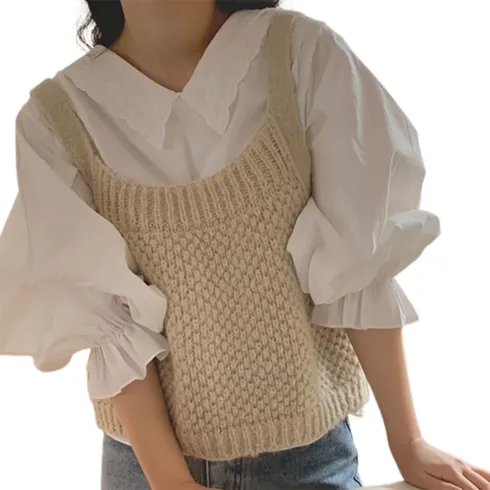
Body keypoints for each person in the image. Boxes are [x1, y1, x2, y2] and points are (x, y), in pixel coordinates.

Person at [0, 1, 488, 489]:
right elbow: (111, 327)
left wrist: (407, 442)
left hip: (307, 460)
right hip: (145, 469)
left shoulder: (298, 54)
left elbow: (359, 260)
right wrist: (173, 482)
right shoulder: (56, 118)